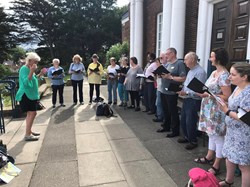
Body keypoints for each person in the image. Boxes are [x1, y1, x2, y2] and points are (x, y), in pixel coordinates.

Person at [194, 48, 231, 176]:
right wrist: (203, 92)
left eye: (212, 56)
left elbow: (227, 96)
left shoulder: (224, 75)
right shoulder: (214, 72)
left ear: (218, 58)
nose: (210, 59)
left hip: (217, 110)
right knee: (211, 134)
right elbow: (208, 89)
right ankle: (209, 156)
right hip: (208, 108)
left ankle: (217, 165)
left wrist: (210, 95)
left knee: (218, 137)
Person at [219, 62, 250, 187]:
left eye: (233, 74)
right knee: (229, 157)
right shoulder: (237, 87)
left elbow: (245, 117)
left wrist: (226, 111)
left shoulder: (248, 93)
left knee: (244, 166)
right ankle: (229, 181)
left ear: (244, 76)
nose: (229, 77)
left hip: (243, 134)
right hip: (232, 131)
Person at [177, 52, 207, 150]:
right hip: (187, 98)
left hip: (194, 100)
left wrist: (186, 93)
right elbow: (187, 85)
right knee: (184, 119)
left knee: (190, 120)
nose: (184, 61)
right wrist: (183, 90)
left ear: (192, 60)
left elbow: (198, 89)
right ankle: (187, 136)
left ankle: (193, 140)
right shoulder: (190, 71)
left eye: (186, 59)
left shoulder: (200, 72)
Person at [15, 52, 46, 141]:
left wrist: (40, 74)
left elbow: (34, 78)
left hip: (31, 95)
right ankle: (27, 134)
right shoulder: (24, 69)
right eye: (35, 62)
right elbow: (26, 82)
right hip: (26, 94)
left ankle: (29, 131)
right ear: (29, 60)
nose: (36, 64)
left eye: (37, 62)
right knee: (32, 113)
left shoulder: (29, 68)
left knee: (31, 113)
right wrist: (32, 71)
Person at [157, 48, 186, 138]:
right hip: (163, 90)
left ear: (173, 54)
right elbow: (166, 75)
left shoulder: (179, 64)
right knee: (165, 110)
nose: (165, 56)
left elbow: (183, 78)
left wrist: (171, 77)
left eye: (167, 54)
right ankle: (166, 126)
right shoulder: (168, 64)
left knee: (173, 111)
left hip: (172, 92)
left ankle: (175, 130)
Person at [153, 53, 166, 123]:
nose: (156, 64)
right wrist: (155, 75)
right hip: (158, 87)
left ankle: (160, 116)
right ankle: (159, 114)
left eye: (157, 62)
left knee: (159, 102)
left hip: (162, 88)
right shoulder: (158, 69)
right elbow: (155, 79)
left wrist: (160, 75)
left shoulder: (163, 68)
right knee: (157, 102)